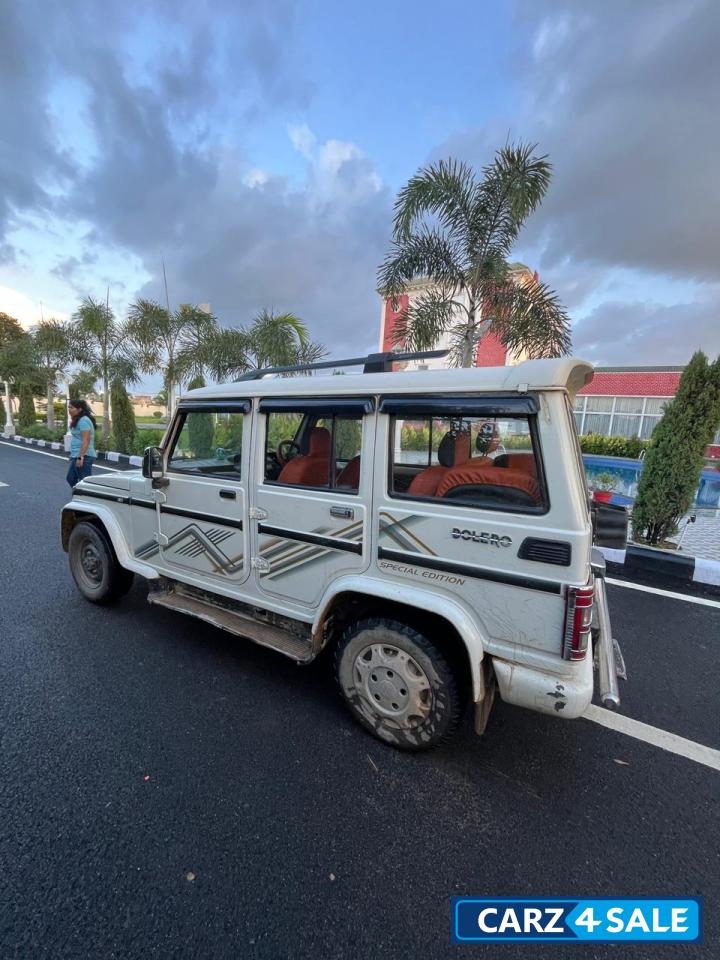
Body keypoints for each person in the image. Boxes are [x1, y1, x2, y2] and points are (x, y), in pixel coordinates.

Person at [66, 399, 97, 488]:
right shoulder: (77, 419)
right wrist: (74, 455)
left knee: (85, 482)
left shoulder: (83, 420)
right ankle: (79, 496)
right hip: (77, 454)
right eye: (69, 407)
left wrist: (80, 457)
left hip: (85, 456)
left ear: (79, 409)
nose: (69, 410)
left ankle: (86, 498)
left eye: (71, 408)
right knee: (71, 478)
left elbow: (86, 440)